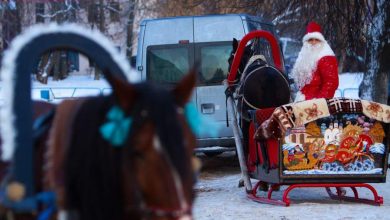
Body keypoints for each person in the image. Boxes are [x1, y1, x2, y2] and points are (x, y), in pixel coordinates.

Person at [291, 21, 339, 102]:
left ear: (321, 41)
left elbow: (331, 82)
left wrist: (320, 103)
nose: (313, 42)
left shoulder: (325, 56)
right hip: (304, 101)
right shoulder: (305, 54)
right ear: (306, 41)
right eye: (310, 40)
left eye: (316, 39)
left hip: (315, 105)